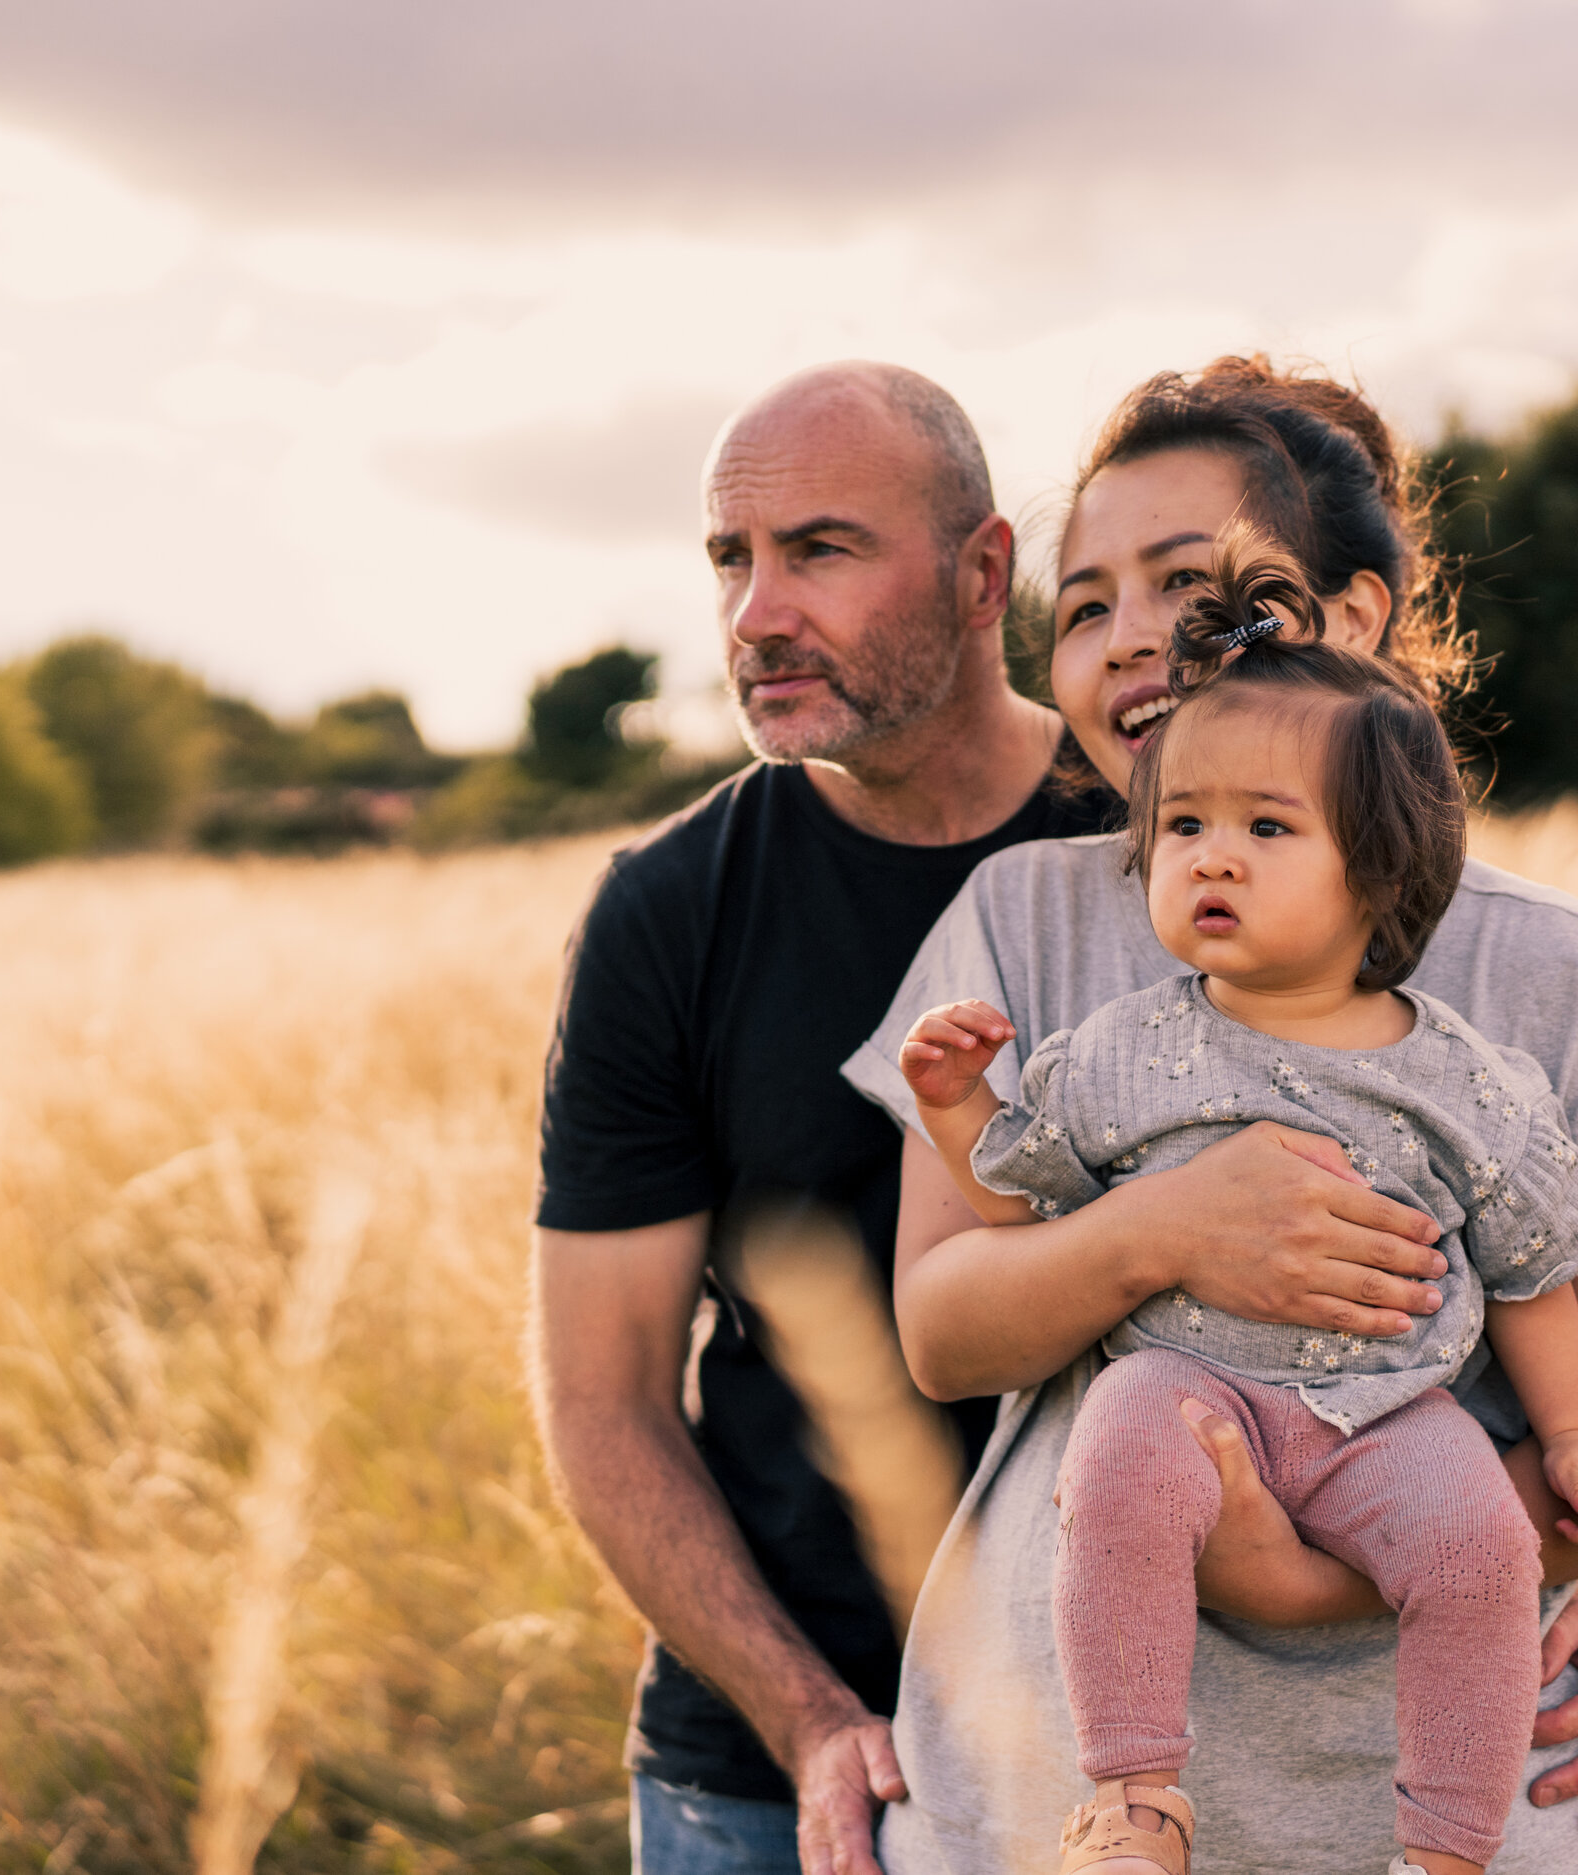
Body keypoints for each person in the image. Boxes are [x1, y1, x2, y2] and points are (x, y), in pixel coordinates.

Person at [841, 357, 1578, 1875]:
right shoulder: (1020, 924)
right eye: (1084, 608)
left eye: (1198, 593)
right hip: (1042, 1813)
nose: (1134, 638)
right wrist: (1162, 1231)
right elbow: (947, 1333)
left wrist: (1281, 1573)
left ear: (1355, 620)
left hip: (1442, 1809)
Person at [529, 361, 1109, 1875]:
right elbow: (603, 1400)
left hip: (1148, 1768)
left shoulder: (1171, 844)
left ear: (986, 573)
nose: (753, 615)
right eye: (731, 558)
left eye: (821, 550)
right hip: (776, 1787)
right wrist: (805, 1717)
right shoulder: (670, 914)